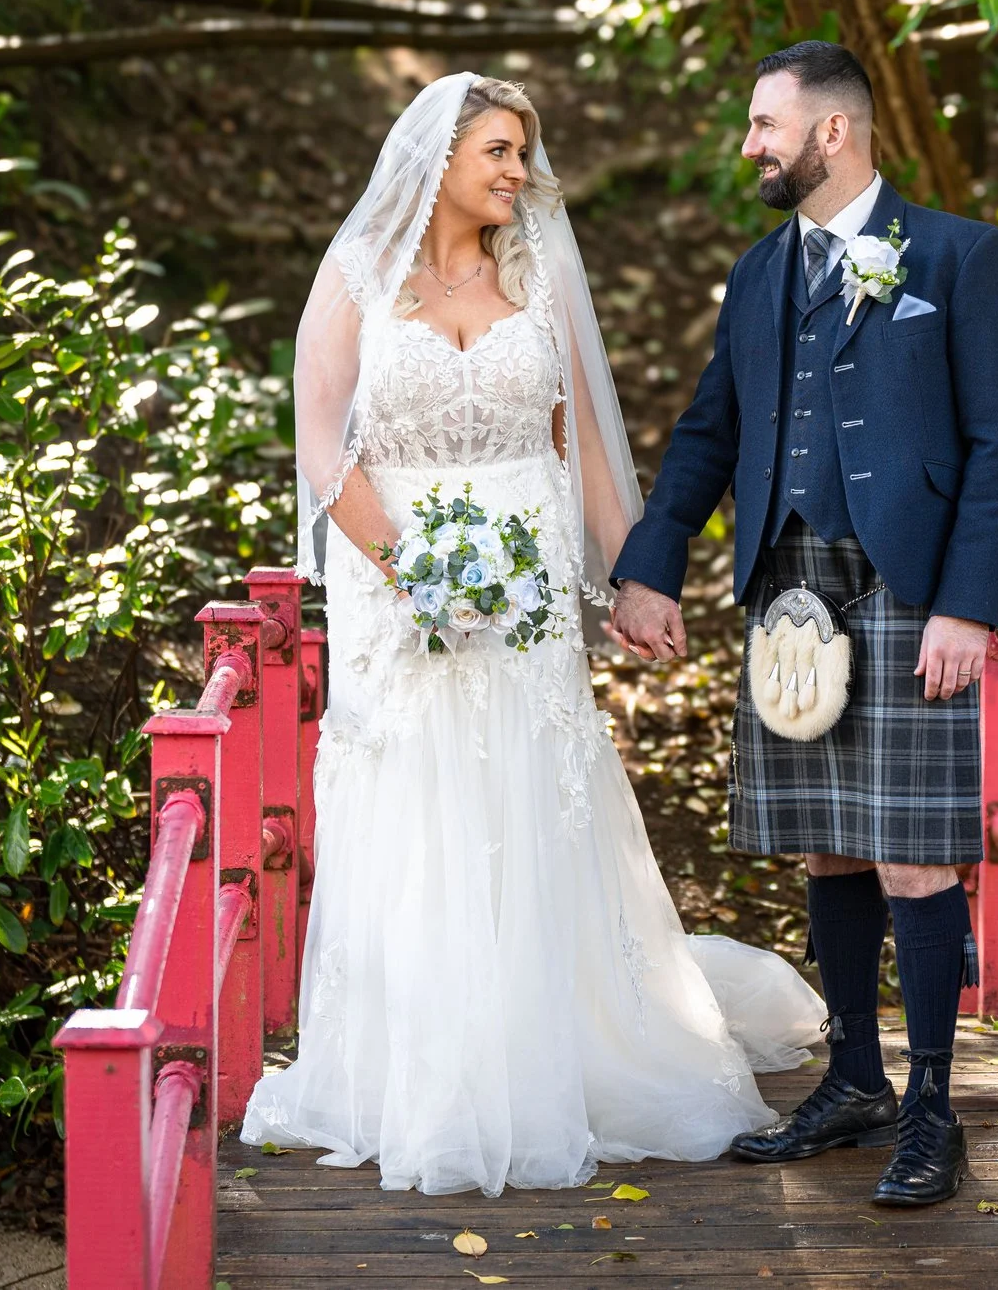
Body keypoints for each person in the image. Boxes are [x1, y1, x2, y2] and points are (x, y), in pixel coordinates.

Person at [240, 73, 825, 1199]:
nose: (517, 171)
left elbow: (588, 454)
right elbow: (323, 449)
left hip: (529, 587)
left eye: (524, 153)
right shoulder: (355, 273)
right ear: (438, 156)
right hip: (395, 583)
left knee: (522, 796)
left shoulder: (539, 272)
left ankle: (555, 1050)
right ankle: (418, 1071)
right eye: (499, 151)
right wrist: (413, 569)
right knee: (417, 805)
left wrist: (636, 578)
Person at [609, 41, 998, 1207]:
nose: (748, 144)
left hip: (906, 592)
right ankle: (852, 1076)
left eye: (762, 123)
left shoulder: (960, 254)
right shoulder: (758, 272)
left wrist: (964, 606)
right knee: (830, 841)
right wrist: (652, 568)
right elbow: (706, 434)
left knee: (911, 849)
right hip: (785, 585)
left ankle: (933, 1106)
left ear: (830, 132)